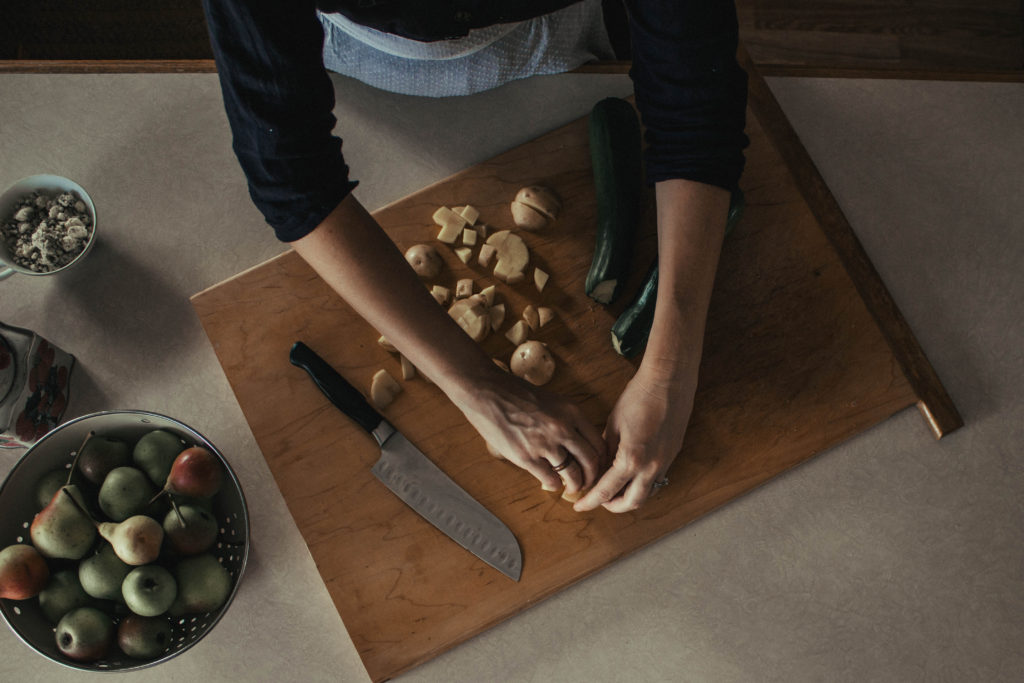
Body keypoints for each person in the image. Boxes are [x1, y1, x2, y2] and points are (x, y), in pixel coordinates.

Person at [202, 1, 749, 512]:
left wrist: (671, 375)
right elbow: (292, 181)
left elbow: (695, 114)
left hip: (565, 27)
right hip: (365, 54)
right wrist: (477, 387)